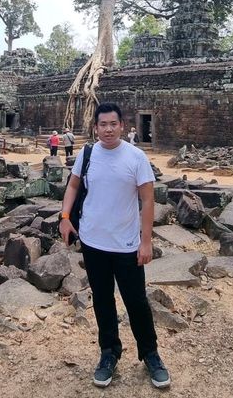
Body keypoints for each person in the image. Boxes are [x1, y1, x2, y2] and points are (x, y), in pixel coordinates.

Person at [59, 103, 170, 389]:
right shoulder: (87, 154)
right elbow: (73, 186)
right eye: (102, 124)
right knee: (103, 300)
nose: (108, 129)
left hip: (127, 244)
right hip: (94, 243)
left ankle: (150, 354)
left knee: (136, 302)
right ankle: (109, 352)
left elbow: (147, 201)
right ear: (95, 128)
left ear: (122, 125)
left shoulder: (136, 157)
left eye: (113, 124)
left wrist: (146, 242)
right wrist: (65, 217)